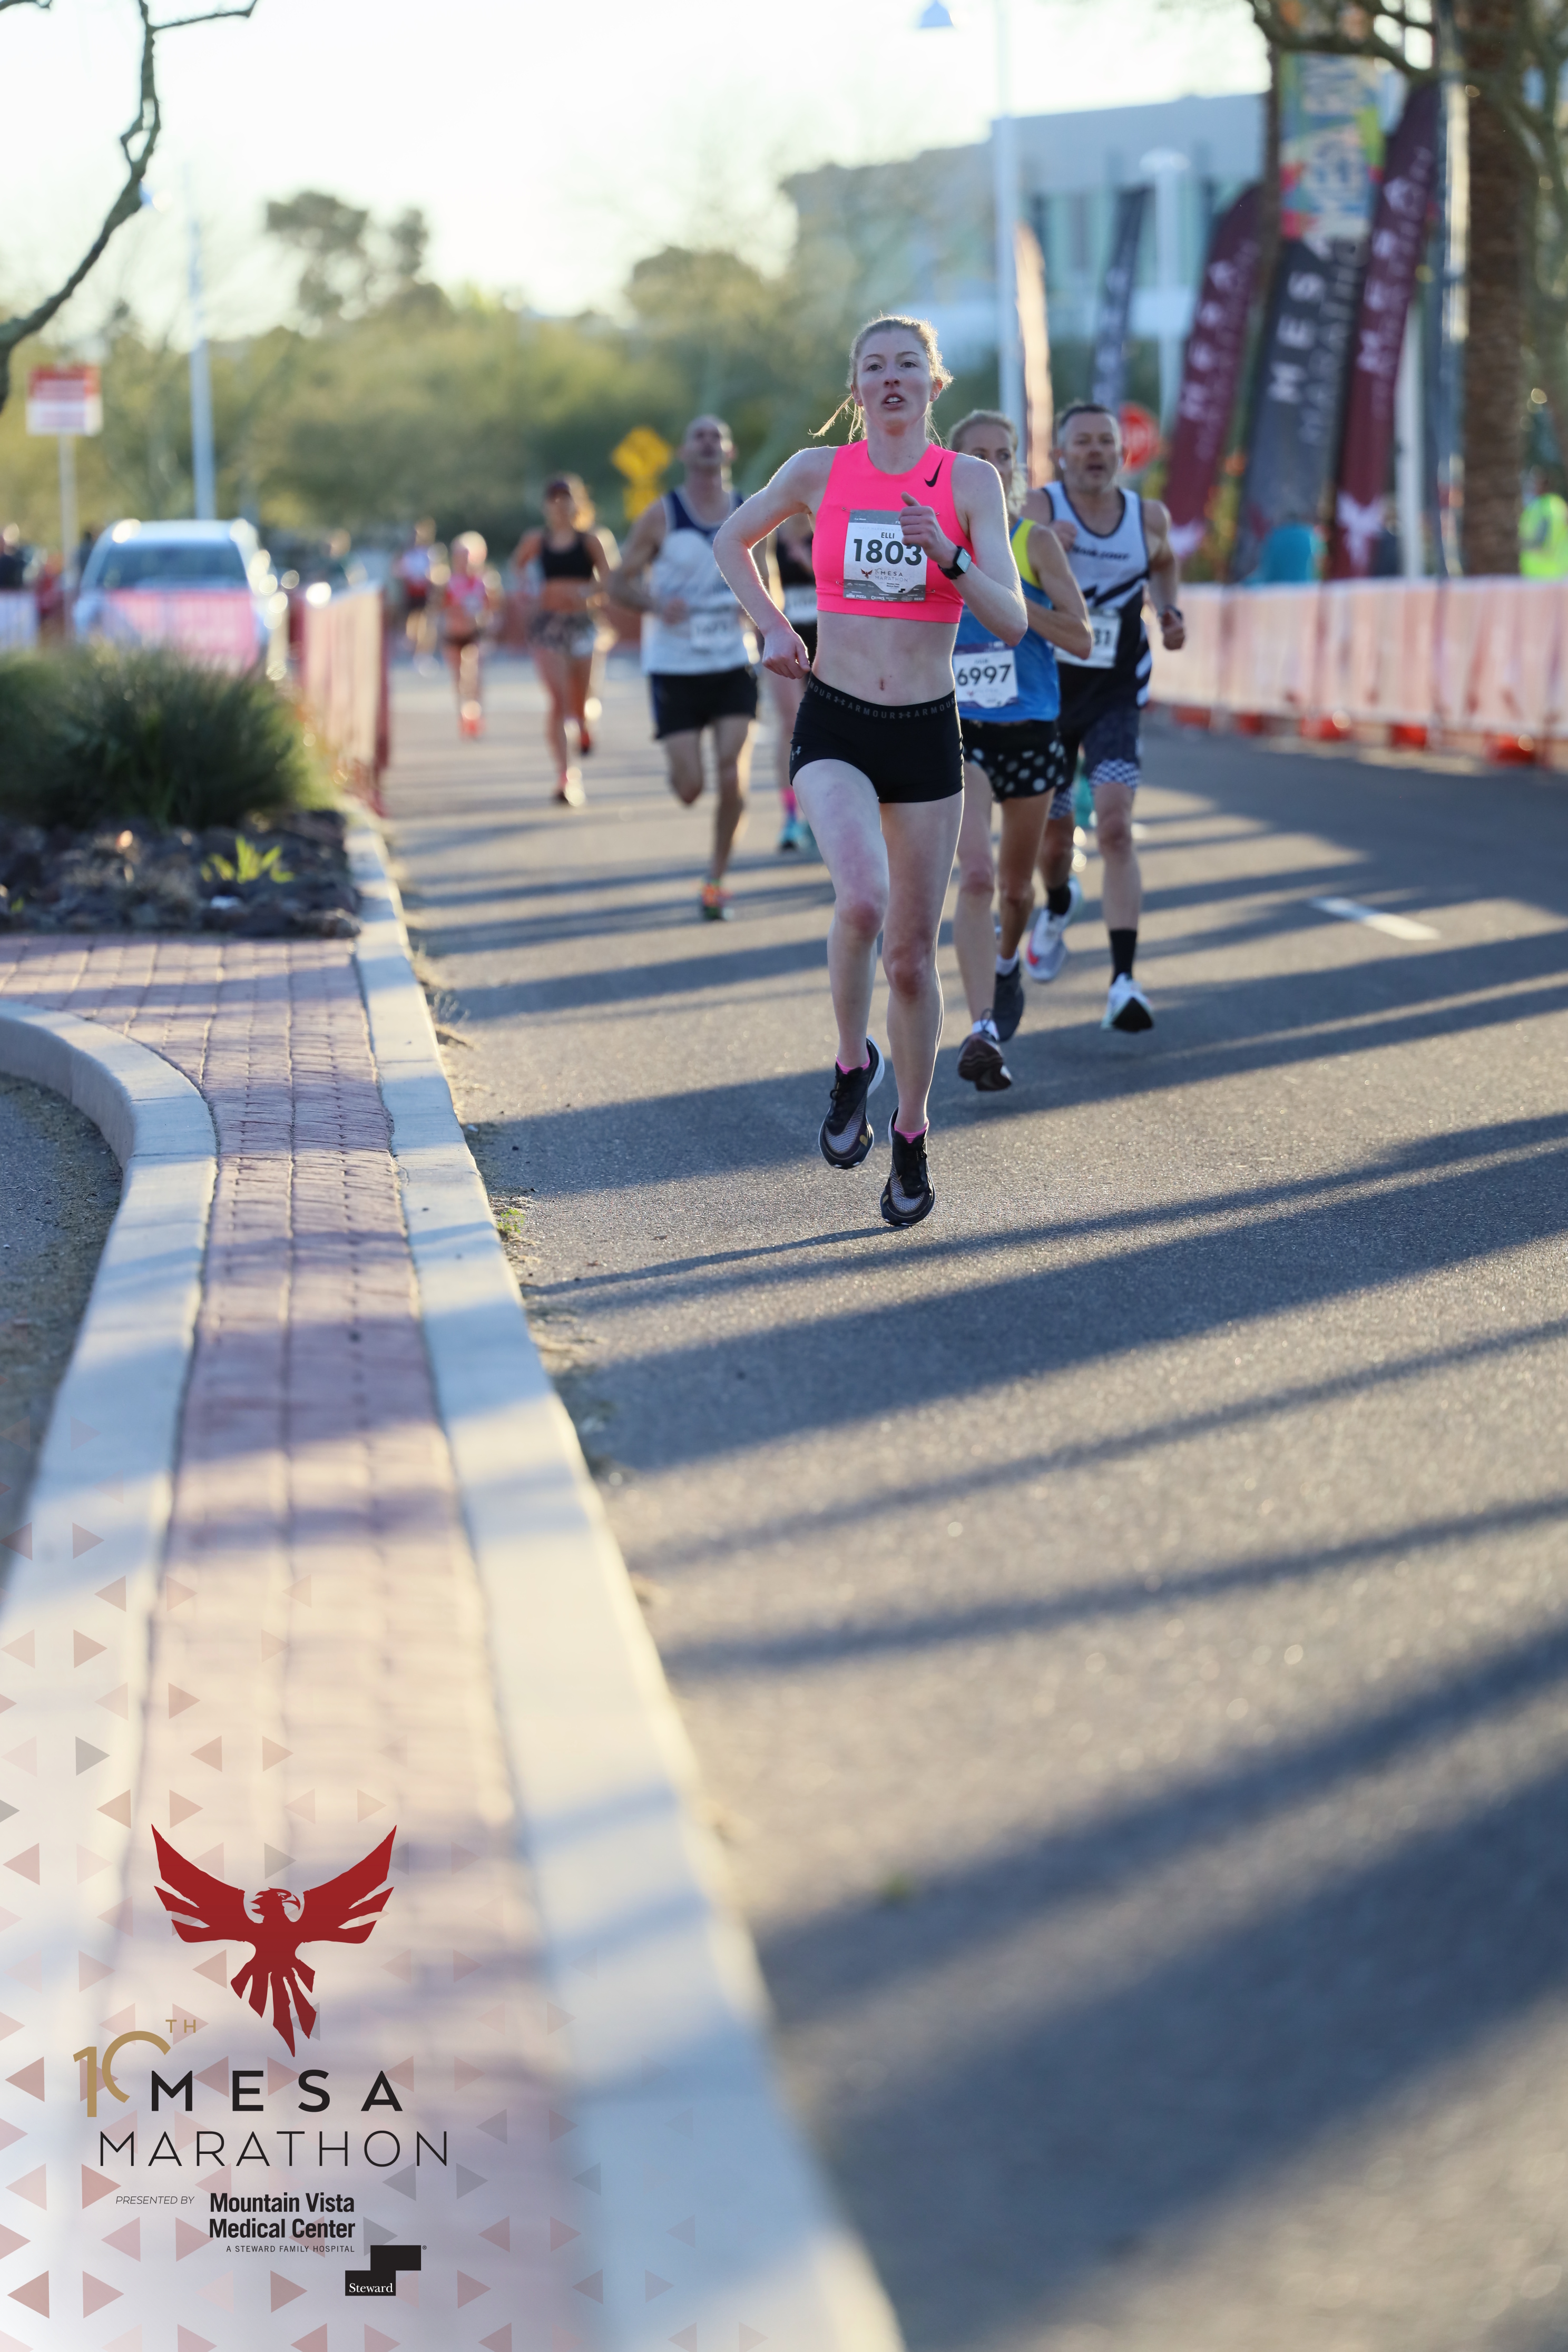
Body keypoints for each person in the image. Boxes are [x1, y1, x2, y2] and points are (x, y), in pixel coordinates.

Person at [715, 316, 1025, 1228]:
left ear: (934, 384)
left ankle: (912, 1130)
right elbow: (732, 540)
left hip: (926, 732)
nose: (891, 378)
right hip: (838, 720)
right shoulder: (820, 472)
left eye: (908, 365)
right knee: (860, 899)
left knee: (909, 959)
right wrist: (774, 626)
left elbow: (1011, 619)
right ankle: (852, 1062)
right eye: (874, 367)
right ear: (856, 389)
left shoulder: (968, 482)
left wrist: (950, 556)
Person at [1023, 403, 1185, 1031]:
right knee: (1054, 839)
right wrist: (1041, 554)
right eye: (1082, 442)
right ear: (1061, 454)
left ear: (1122, 453)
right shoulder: (1041, 510)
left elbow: (1164, 563)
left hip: (1116, 692)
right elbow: (1003, 575)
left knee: (1116, 827)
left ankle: (1124, 982)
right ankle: (1059, 900)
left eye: (1105, 442)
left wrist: (1169, 612)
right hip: (1048, 694)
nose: (1095, 451)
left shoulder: (1148, 517)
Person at [946, 410, 1092, 1092]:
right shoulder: (934, 540)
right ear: (953, 464)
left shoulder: (1035, 543)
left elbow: (1081, 638)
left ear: (1015, 468)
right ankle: (982, 1026)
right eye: (977, 454)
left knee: (1014, 887)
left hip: (1031, 727)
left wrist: (1008, 600)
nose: (992, 465)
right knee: (976, 877)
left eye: (1003, 455)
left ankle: (1008, 965)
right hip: (959, 730)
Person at [608, 416, 760, 920]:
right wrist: (655, 604)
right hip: (674, 666)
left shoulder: (749, 512)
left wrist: (761, 612)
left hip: (732, 661)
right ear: (684, 453)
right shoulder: (661, 515)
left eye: (718, 437)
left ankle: (715, 881)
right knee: (691, 788)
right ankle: (681, 770)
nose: (709, 443)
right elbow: (619, 582)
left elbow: (772, 582)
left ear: (730, 452)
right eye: (700, 436)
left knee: (733, 774)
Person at [514, 475, 617, 807]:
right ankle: (566, 777)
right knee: (558, 702)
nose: (560, 504)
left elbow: (611, 580)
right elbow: (518, 567)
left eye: (567, 497)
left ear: (579, 502)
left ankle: (585, 726)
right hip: (549, 627)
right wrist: (530, 593)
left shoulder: (593, 540)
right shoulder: (536, 540)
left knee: (580, 703)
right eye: (554, 498)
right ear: (546, 505)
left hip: (583, 626)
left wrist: (588, 591)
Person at [769, 515, 818, 852]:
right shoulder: (771, 537)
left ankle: (817, 817)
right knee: (790, 725)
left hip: (828, 643)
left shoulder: (827, 528)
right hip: (785, 644)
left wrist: (809, 563)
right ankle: (790, 817)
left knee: (827, 728)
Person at [439, 531, 497, 738]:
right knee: (459, 679)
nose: (463, 561)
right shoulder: (447, 581)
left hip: (475, 634)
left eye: (467, 556)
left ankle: (477, 716)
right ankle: (462, 716)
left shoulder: (485, 581)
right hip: (453, 634)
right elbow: (440, 607)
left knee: (475, 676)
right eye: (459, 556)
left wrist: (483, 619)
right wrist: (455, 611)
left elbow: (493, 608)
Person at [395, 518, 438, 658]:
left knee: (424, 620)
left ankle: (422, 651)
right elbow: (399, 571)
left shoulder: (428, 553)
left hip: (425, 591)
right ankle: (414, 647)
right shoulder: (407, 553)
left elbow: (434, 571)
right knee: (411, 619)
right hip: (411, 591)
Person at [1520, 467, 1568, 579]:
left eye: (1535, 483)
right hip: (1550, 573)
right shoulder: (1555, 505)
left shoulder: (1547, 508)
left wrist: (1521, 544)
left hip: (1545, 575)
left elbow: (1541, 542)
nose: (1532, 486)